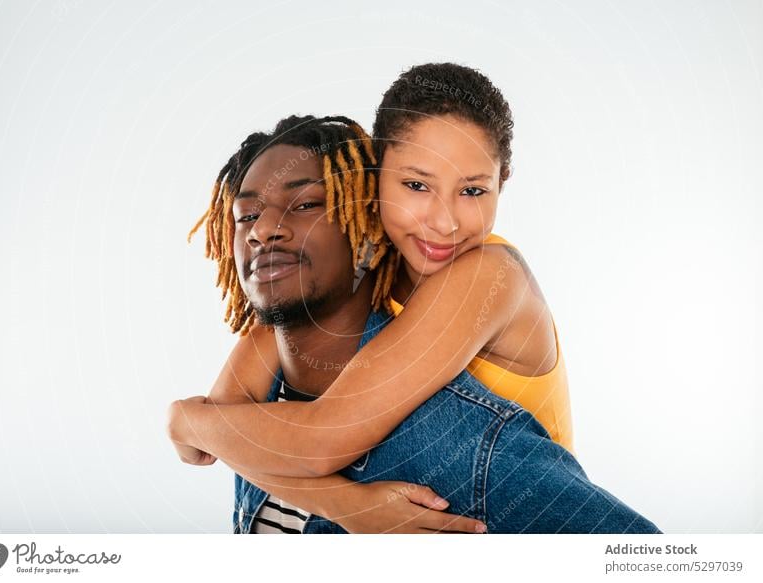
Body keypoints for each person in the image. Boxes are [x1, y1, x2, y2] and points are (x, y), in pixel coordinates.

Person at [168, 113, 660, 534]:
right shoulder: (262, 384)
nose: (262, 229)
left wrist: (186, 420)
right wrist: (342, 503)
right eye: (245, 213)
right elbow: (224, 439)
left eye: (307, 204)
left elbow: (319, 436)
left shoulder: (483, 284)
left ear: (366, 226)